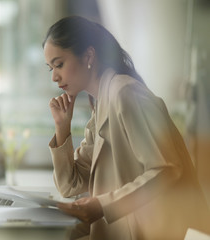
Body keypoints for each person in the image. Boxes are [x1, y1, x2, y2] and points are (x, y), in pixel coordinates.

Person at [43, 16, 210, 240]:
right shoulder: (101, 102)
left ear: (89, 56)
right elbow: (69, 184)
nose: (54, 77)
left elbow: (167, 169)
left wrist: (102, 205)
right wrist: (62, 127)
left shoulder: (125, 93)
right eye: (50, 68)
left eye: (59, 64)